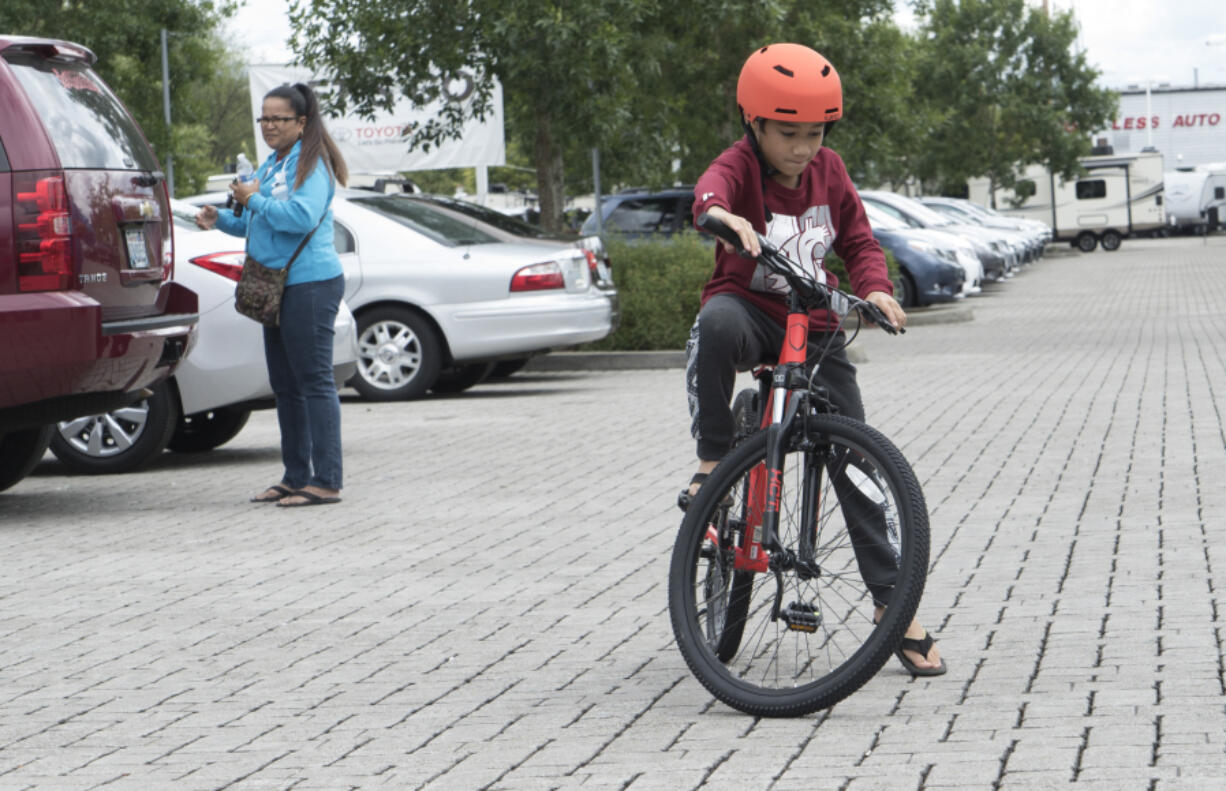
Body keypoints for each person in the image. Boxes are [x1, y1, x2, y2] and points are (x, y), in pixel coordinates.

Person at [683, 43, 946, 675]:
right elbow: (707, 194)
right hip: (749, 312)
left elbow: (858, 239)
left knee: (856, 459)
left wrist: (876, 289)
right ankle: (713, 458)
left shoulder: (831, 171)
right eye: (789, 134)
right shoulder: (740, 165)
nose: (804, 148)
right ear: (755, 124)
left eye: (816, 132)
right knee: (713, 325)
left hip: (816, 324)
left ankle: (892, 602)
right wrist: (721, 216)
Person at [196, 83, 349, 508]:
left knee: (314, 381)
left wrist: (256, 199)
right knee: (285, 385)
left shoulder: (312, 164)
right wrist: (222, 218)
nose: (269, 126)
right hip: (275, 285)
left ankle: (327, 480)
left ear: (302, 123)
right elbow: (257, 224)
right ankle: (295, 476)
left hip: (310, 283)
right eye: (264, 118)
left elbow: (300, 218)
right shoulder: (272, 164)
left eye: (278, 119)